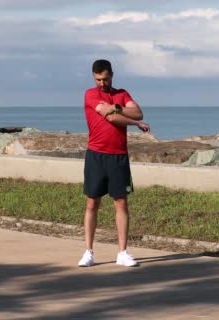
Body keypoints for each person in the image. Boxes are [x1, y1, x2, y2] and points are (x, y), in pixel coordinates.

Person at [78, 59, 150, 267]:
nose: (102, 83)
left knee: (121, 203)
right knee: (92, 202)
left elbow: (138, 111)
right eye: (98, 79)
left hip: (118, 155)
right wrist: (135, 123)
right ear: (94, 77)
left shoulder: (122, 93)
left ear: (112, 75)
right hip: (96, 155)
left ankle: (123, 252)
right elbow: (110, 118)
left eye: (105, 79)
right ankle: (88, 252)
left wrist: (116, 107)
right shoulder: (90, 94)